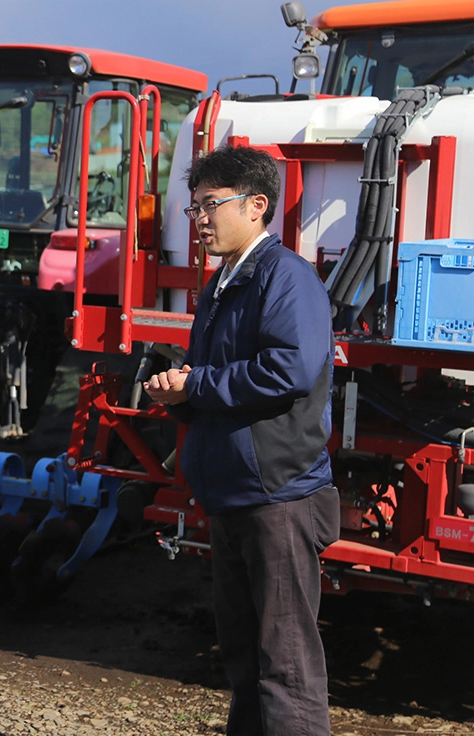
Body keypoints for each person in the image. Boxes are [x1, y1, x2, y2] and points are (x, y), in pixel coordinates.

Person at [144, 146, 339, 735]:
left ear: (257, 207)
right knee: (245, 659)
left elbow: (291, 369)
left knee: (286, 666)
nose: (198, 218)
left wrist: (196, 383)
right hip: (234, 492)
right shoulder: (228, 279)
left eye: (210, 205)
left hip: (277, 496)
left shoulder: (285, 277)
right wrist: (179, 385)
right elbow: (229, 373)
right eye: (193, 207)